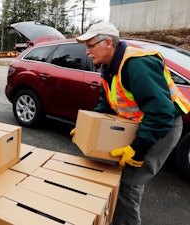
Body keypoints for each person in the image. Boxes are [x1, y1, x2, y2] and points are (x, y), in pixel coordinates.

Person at [72, 22, 190, 225]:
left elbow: (161, 113)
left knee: (129, 182)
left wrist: (138, 148)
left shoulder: (137, 64)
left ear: (108, 43)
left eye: (91, 46)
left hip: (164, 127)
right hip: (142, 123)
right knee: (115, 173)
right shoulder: (109, 67)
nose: (87, 51)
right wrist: (88, 127)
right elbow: (106, 102)